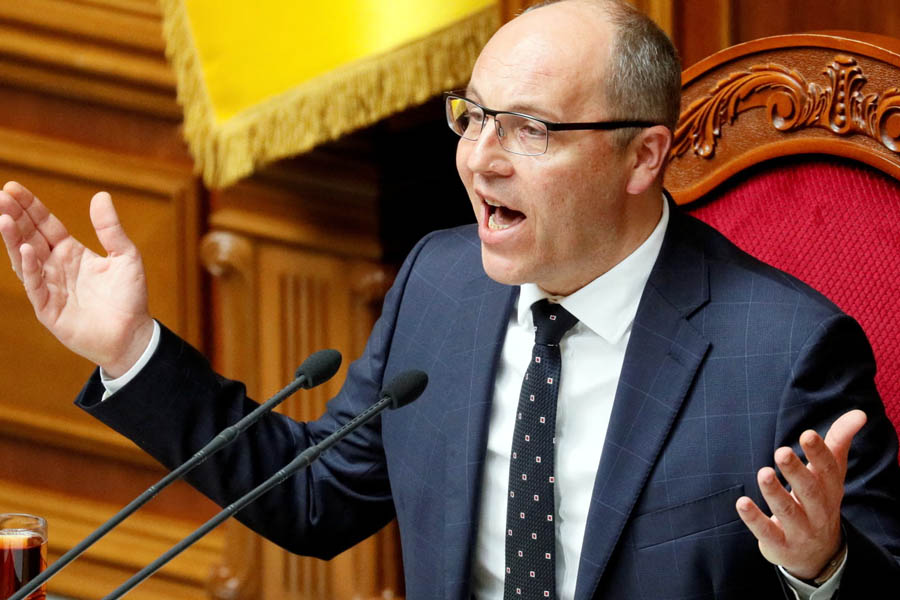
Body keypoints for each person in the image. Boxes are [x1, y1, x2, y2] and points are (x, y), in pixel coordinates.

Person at [1, 0, 899, 598]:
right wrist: (131, 353)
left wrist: (822, 569)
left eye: (532, 130)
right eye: (472, 116)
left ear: (643, 156)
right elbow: (316, 501)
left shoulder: (786, 354)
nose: (480, 159)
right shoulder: (442, 284)